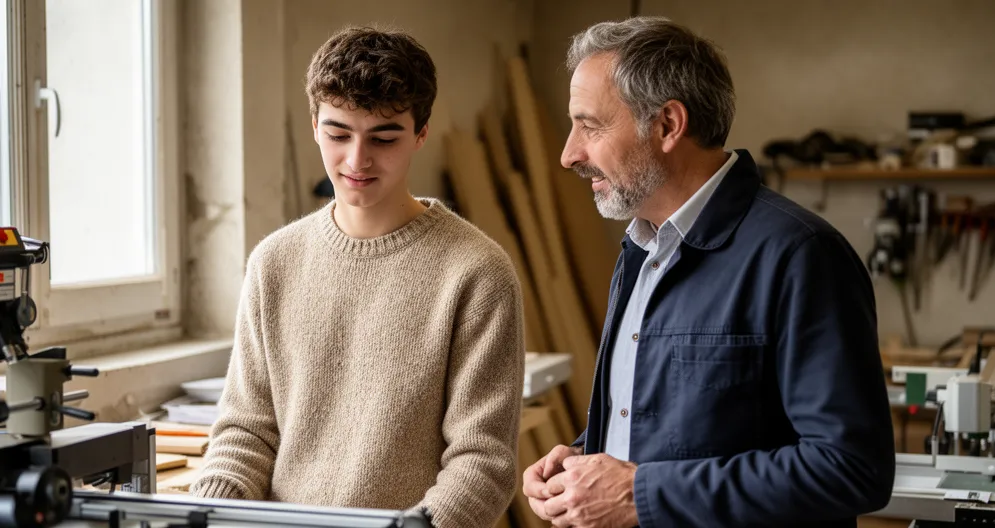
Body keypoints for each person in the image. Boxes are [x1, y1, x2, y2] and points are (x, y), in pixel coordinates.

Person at [522, 16, 895, 528]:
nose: (569, 155)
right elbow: (685, 426)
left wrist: (636, 492)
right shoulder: (642, 247)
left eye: (589, 126)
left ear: (667, 125)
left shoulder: (800, 255)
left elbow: (852, 468)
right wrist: (586, 457)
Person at [191, 26, 525, 528]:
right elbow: (247, 431)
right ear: (314, 126)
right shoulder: (273, 263)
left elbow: (483, 462)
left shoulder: (477, 273)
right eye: (338, 134)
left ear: (421, 133)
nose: (356, 160)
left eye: (383, 138)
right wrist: (211, 510)